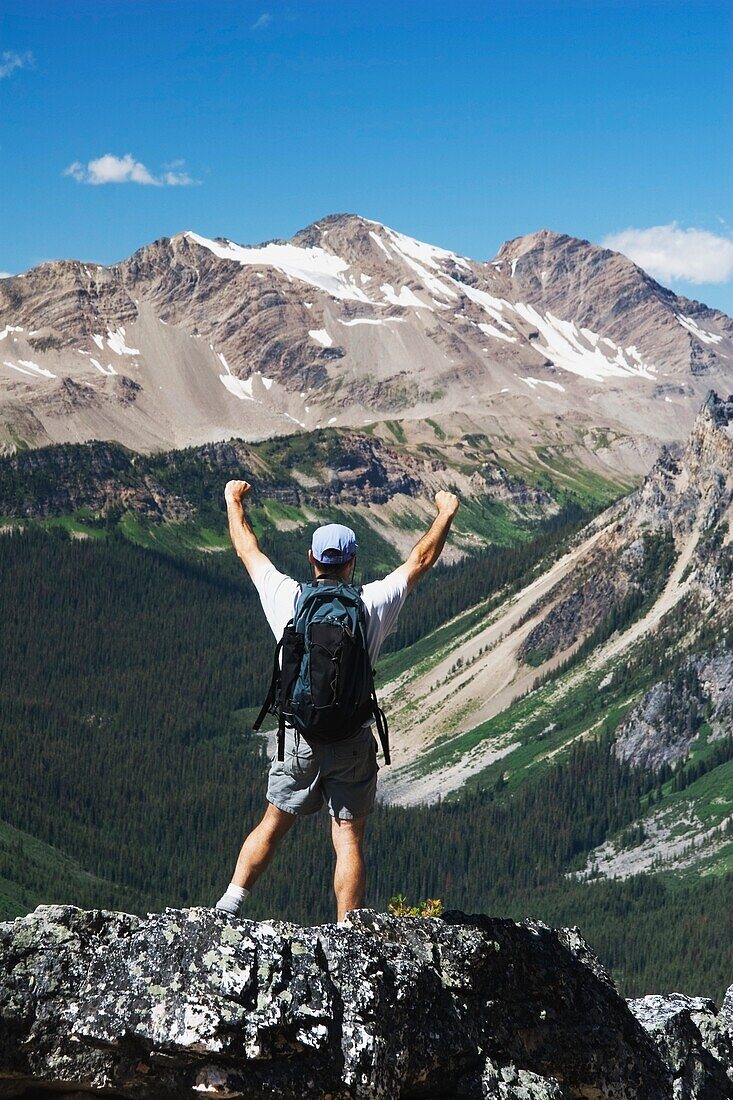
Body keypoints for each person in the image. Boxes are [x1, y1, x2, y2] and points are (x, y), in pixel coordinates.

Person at [215, 478, 460, 922]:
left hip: (300, 737)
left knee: (272, 824)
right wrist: (444, 513)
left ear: (312, 559)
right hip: (351, 739)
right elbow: (419, 560)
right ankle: (349, 933)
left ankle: (229, 904)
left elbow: (247, 552)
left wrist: (234, 501)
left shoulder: (290, 600)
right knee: (348, 838)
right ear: (352, 562)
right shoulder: (370, 604)